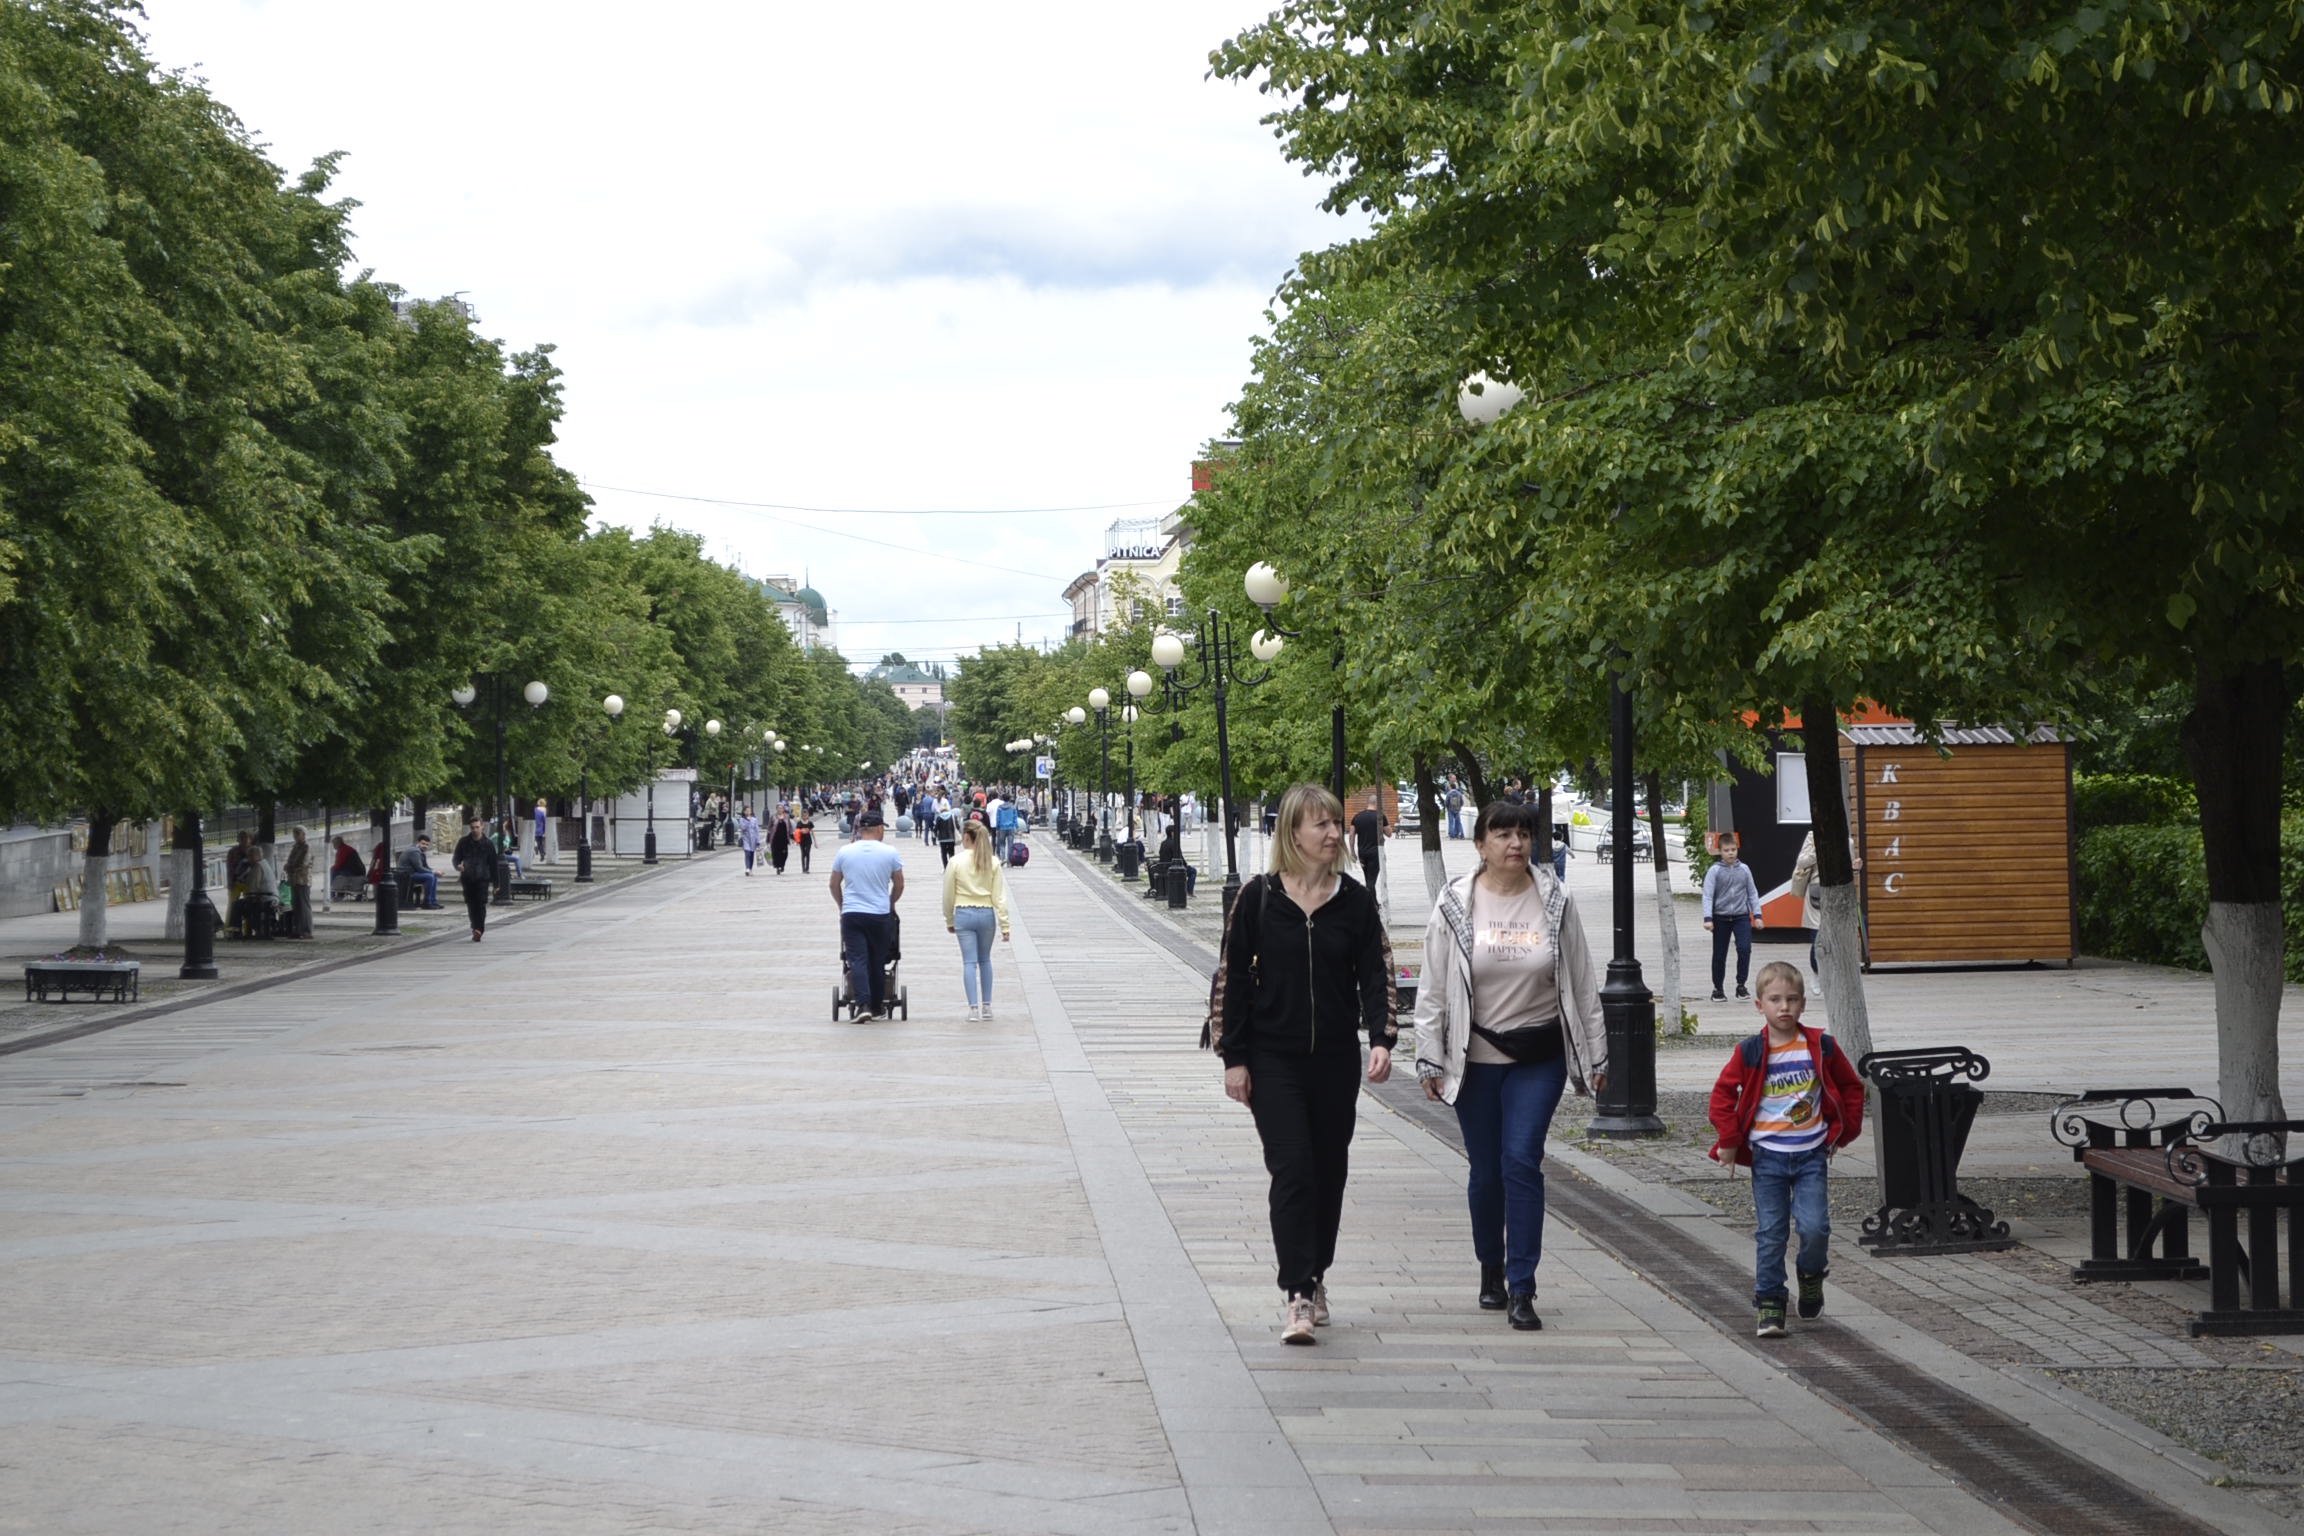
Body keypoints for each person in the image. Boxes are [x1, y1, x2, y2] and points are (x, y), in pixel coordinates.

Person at [1212, 783, 1396, 1346]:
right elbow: (1232, 979)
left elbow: (1377, 972)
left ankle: (1316, 1274)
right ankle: (1297, 1291)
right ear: (1293, 833)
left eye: (1336, 824)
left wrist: (1382, 1037)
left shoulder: (1356, 901)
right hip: (1273, 1058)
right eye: (1322, 825)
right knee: (1292, 1170)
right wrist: (1233, 1057)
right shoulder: (1259, 897)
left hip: (1336, 1058)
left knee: (1329, 1171)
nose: (1335, 834)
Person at [1414, 799, 1608, 1331]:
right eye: (1502, 834)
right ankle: (1491, 1269)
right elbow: (1433, 987)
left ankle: (1524, 1286)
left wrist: (1596, 1052)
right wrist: (1428, 1054)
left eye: (1523, 833)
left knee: (1521, 1160)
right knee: (1486, 1170)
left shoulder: (1555, 901)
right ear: (1481, 844)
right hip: (1473, 1057)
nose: (1515, 843)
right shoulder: (1455, 902)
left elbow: (1582, 979)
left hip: (1537, 1056)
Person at [1707, 960, 1866, 1338]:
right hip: (1768, 1157)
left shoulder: (1821, 1047)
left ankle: (1811, 1277)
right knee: (1772, 1232)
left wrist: (1842, 1133)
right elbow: (1721, 1097)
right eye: (1775, 999)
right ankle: (1770, 1303)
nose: (1784, 1007)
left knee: (1815, 1228)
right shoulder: (1749, 1052)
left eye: (1792, 999)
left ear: (1803, 1005)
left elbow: (1852, 1087)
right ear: (1758, 1005)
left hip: (1811, 1153)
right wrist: (1729, 1143)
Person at [829, 811, 905, 1018]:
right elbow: (899, 883)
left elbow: (834, 884)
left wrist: (842, 905)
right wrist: (891, 903)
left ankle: (862, 1005)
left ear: (861, 830)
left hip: (852, 913)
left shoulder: (845, 851)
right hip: (879, 913)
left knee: (857, 960)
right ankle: (877, 1006)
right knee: (877, 960)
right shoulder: (890, 852)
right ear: (879, 829)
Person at [942, 819, 1011, 1021]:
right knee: (985, 960)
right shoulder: (993, 861)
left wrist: (949, 918)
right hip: (987, 913)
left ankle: (973, 1008)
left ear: (966, 837)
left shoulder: (955, 862)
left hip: (964, 913)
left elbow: (948, 895)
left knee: (969, 962)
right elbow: (1000, 896)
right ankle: (987, 1006)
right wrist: (1005, 924)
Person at [1702, 837, 1764, 999]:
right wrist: (1708, 918)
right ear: (1720, 852)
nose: (1730, 853)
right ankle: (1718, 988)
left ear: (1737, 850)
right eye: (1726, 850)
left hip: (1741, 916)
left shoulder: (1744, 869)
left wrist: (1757, 915)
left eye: (1733, 850)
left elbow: (1752, 893)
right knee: (1719, 954)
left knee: (1744, 949)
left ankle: (1741, 985)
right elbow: (1708, 895)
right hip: (1720, 917)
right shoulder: (1715, 871)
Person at [452, 816, 499, 942]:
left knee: (481, 903)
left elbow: (493, 864)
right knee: (471, 905)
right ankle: (474, 926)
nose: (475, 830)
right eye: (472, 828)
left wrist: (496, 884)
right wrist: (458, 866)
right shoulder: (463, 842)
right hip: (467, 879)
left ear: (482, 827)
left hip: (482, 879)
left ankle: (479, 929)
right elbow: (456, 858)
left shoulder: (488, 844)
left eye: (477, 827)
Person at [1349, 793, 1388, 892]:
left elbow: (1351, 836)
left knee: (1368, 879)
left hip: (1362, 852)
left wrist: (1352, 852)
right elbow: (1389, 833)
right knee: (1371, 880)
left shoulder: (1356, 817)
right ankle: (1371, 904)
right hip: (1376, 853)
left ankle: (1373, 903)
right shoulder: (1380, 817)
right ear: (1377, 803)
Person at [283, 827, 314, 938]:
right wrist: (288, 866)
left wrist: (290, 866)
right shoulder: (296, 847)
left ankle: (306, 931)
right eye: (294, 833)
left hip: (302, 879)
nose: (295, 835)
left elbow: (303, 863)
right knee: (296, 905)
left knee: (303, 905)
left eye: (298, 833)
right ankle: (298, 930)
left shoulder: (307, 847)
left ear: (304, 834)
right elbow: (291, 860)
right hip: (294, 879)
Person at [395, 836, 441, 908]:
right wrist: (433, 872)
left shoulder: (420, 851)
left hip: (412, 873)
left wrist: (434, 871)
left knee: (433, 876)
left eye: (427, 844)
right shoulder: (415, 851)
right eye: (423, 844)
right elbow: (419, 868)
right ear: (418, 843)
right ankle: (427, 902)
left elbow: (425, 867)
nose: (425, 846)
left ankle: (433, 901)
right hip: (406, 875)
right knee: (430, 877)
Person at [329, 835, 365, 903]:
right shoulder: (345, 848)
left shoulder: (343, 850)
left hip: (354, 871)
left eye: (334, 844)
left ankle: (333, 894)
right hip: (357, 870)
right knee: (335, 872)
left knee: (333, 872)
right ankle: (336, 893)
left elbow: (339, 864)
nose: (333, 846)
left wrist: (331, 869)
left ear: (338, 843)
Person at [737, 806, 762, 874]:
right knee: (747, 853)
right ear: (744, 812)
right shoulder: (742, 819)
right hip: (746, 838)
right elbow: (742, 828)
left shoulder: (754, 819)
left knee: (751, 854)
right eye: (746, 811)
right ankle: (747, 868)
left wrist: (758, 840)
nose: (748, 812)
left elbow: (756, 830)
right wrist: (747, 821)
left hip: (753, 839)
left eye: (749, 811)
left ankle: (750, 868)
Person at [935, 798, 959, 867]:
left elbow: (936, 828)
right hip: (951, 837)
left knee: (943, 853)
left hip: (942, 838)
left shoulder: (939, 817)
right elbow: (957, 826)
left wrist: (935, 835)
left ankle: (945, 867)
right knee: (951, 852)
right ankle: (951, 867)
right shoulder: (953, 816)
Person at [795, 809, 815, 873]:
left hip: (808, 840)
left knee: (807, 854)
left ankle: (807, 868)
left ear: (808, 815)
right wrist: (797, 841)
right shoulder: (799, 823)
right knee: (803, 854)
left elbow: (812, 832)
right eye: (803, 815)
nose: (805, 817)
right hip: (802, 840)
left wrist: (815, 842)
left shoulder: (810, 823)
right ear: (801, 816)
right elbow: (796, 833)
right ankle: (803, 868)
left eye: (806, 815)